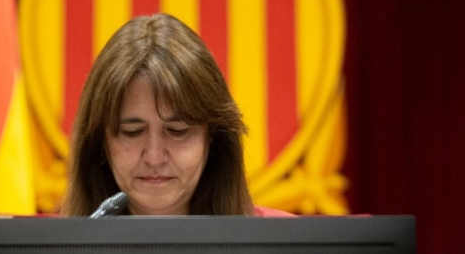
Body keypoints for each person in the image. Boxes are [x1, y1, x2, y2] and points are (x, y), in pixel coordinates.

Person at [60, 13, 292, 217]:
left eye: (177, 131)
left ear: (212, 139)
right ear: (100, 143)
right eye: (132, 133)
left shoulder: (287, 243)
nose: (154, 157)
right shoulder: (56, 247)